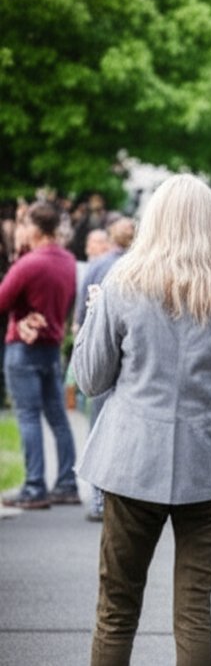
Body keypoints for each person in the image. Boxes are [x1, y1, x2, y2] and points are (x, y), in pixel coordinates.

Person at [71, 174, 211, 665]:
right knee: (195, 608)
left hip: (131, 462)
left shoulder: (121, 285)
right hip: (208, 465)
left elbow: (90, 379)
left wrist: (95, 317)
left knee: (116, 607)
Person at [0, 202, 79, 509]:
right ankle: (67, 483)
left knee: (28, 416)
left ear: (34, 227)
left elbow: (3, 299)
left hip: (23, 347)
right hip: (52, 345)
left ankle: (34, 486)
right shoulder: (68, 260)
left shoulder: (30, 264)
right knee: (58, 418)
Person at [74, 217, 137, 522]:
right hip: (132, 365)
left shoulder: (99, 266)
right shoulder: (142, 266)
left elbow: (81, 310)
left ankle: (100, 498)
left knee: (99, 427)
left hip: (103, 356)